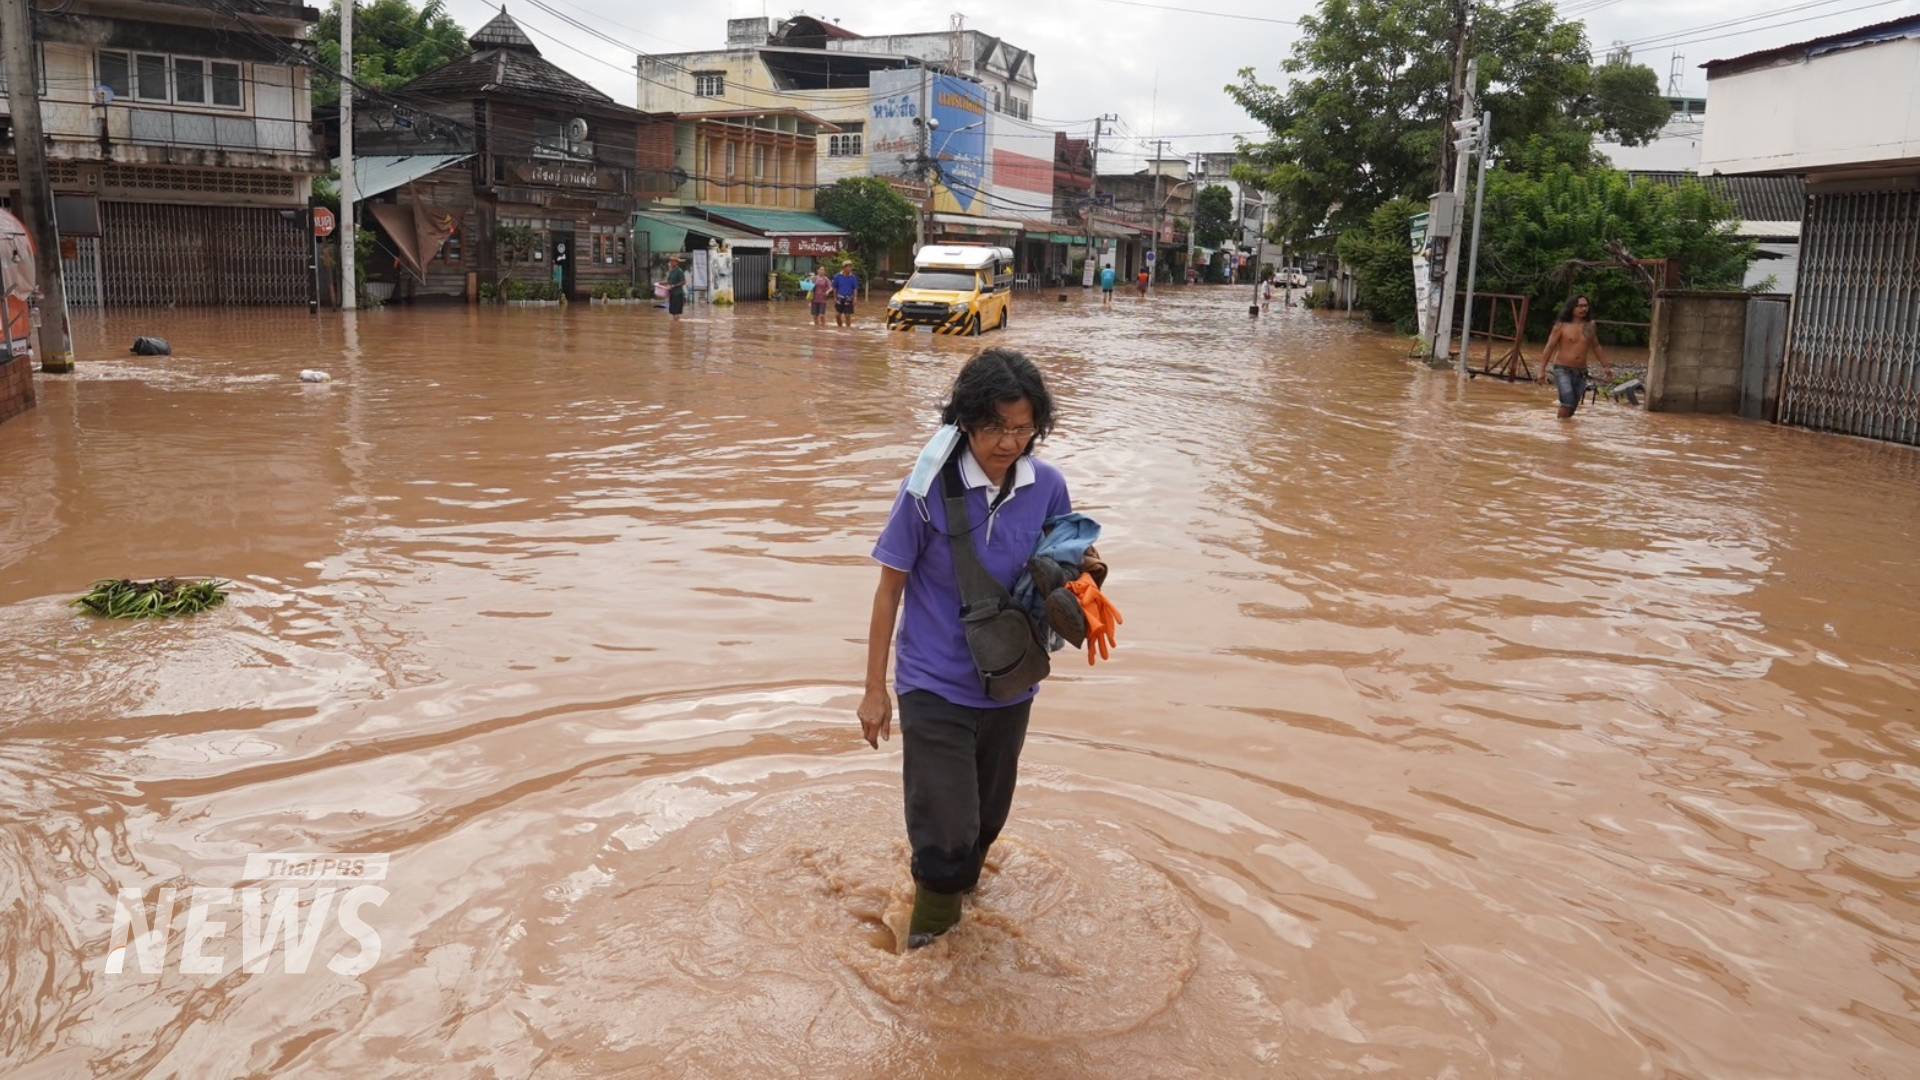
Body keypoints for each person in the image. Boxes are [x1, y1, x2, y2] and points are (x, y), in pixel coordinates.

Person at [861, 348, 1071, 950]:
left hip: (1010, 682)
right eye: (994, 428)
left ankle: (960, 923)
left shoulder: (1047, 486)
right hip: (934, 683)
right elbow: (888, 590)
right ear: (966, 423)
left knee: (984, 824)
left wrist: (1082, 583)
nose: (1009, 443)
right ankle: (927, 966)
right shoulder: (925, 492)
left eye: (1022, 428)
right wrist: (875, 690)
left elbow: (1065, 558)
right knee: (946, 830)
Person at [1539, 294, 1606, 419]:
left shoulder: (1590, 326)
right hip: (1562, 370)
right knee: (1567, 403)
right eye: (1580, 306)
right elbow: (1549, 347)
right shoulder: (1561, 326)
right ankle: (1561, 432)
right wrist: (1541, 370)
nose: (1584, 309)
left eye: (1586, 306)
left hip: (1581, 372)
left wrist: (1606, 367)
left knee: (1572, 408)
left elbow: (1596, 346)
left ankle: (1565, 432)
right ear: (1572, 308)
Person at [832, 260, 860, 327]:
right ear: (844, 268)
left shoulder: (853, 277)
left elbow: (855, 288)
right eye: (848, 267)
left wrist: (855, 298)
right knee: (837, 315)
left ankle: (848, 329)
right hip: (839, 298)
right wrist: (835, 298)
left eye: (851, 267)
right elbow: (835, 288)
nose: (850, 268)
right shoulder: (837, 276)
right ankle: (840, 327)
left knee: (847, 315)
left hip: (849, 298)